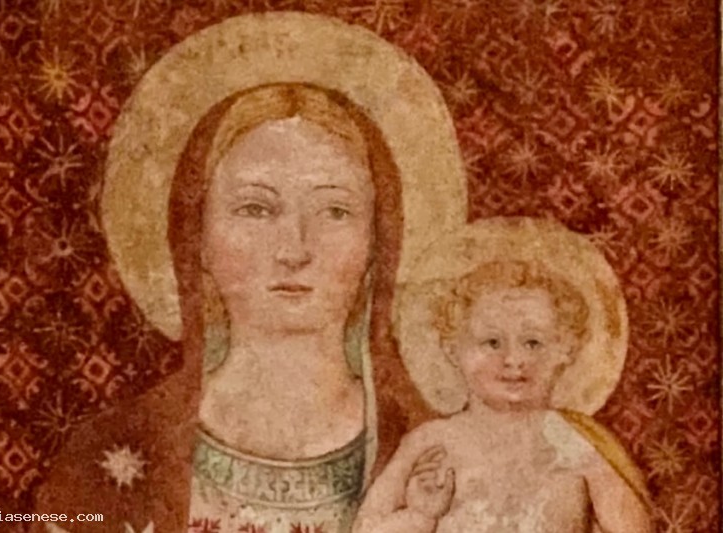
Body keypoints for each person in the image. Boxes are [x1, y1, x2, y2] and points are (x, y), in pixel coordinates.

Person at [33, 83, 432, 533]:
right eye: (255, 209)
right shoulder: (115, 453)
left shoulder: (429, 454)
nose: (294, 250)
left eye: (335, 211)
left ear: (378, 241)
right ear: (198, 237)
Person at [353, 260, 653, 533]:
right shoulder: (431, 442)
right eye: (492, 342)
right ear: (453, 349)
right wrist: (421, 516)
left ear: (566, 350)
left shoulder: (576, 444)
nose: (513, 360)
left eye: (533, 343)